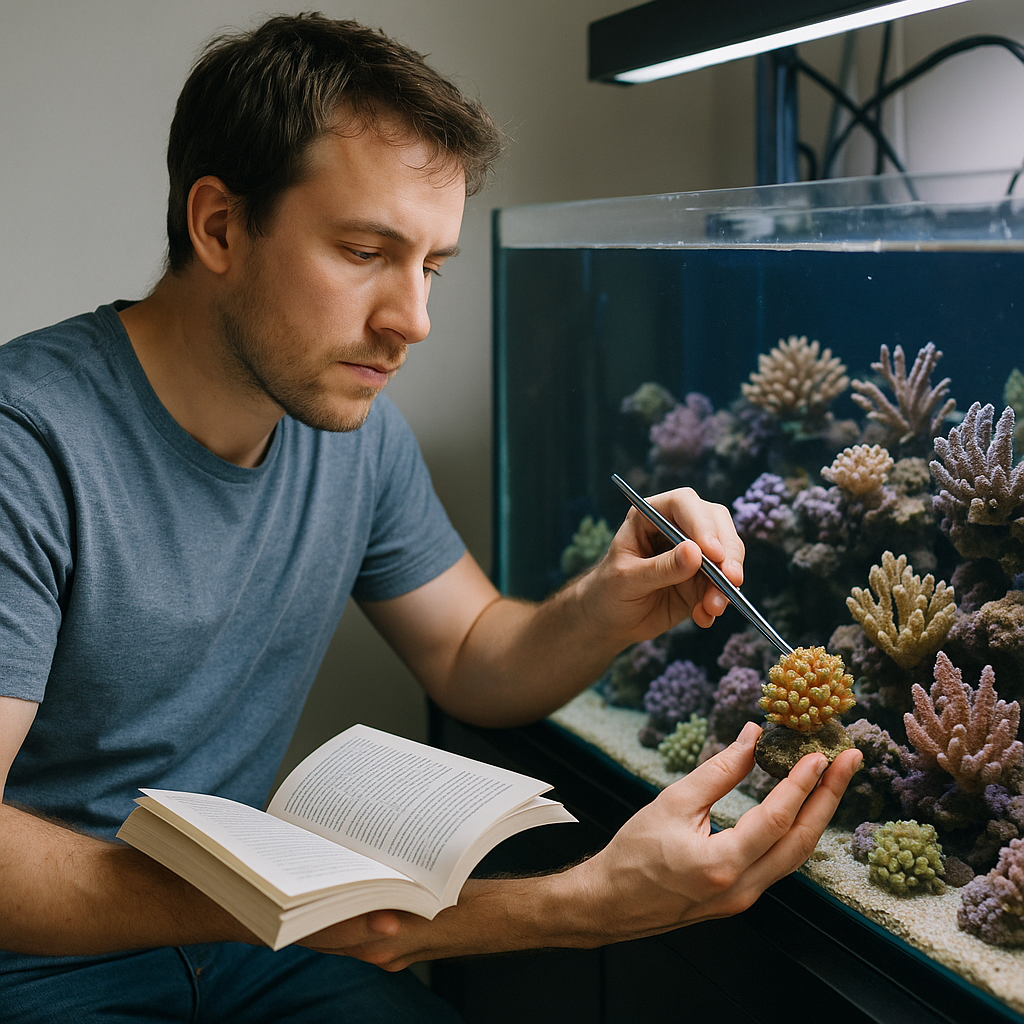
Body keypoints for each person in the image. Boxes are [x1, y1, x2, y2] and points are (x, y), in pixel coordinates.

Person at [0, 12, 862, 1023]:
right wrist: (564, 903)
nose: (412, 318)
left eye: (432, 266)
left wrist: (611, 602)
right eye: (367, 251)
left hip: (240, 953)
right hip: (42, 965)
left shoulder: (349, 430)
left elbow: (469, 652)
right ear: (219, 226)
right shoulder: (29, 440)